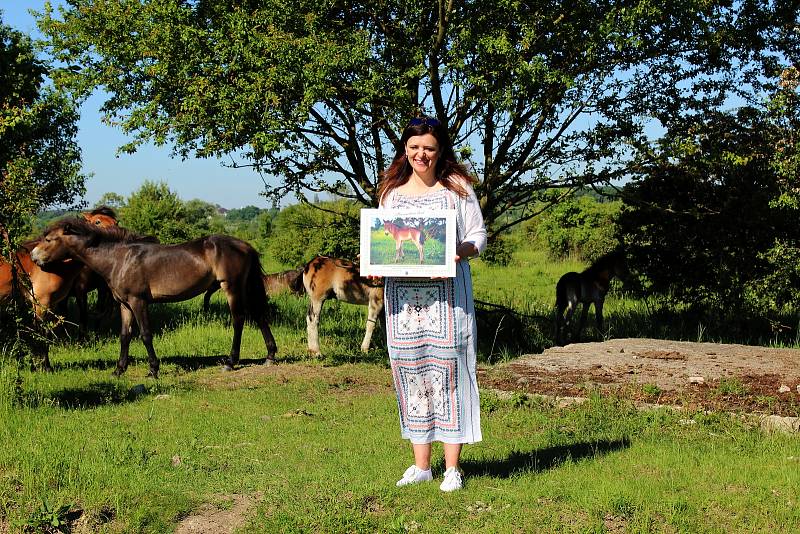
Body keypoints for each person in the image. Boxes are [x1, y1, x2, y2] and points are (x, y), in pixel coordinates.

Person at [376, 116, 487, 492]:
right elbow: (384, 244)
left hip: (448, 301)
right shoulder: (391, 192)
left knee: (449, 372)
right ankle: (421, 465)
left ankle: (451, 468)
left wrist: (459, 251)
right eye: (414, 147)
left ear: (440, 151)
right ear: (405, 149)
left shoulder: (457, 188)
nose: (420, 154)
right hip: (402, 304)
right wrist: (375, 266)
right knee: (411, 373)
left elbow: (478, 235)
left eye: (428, 148)